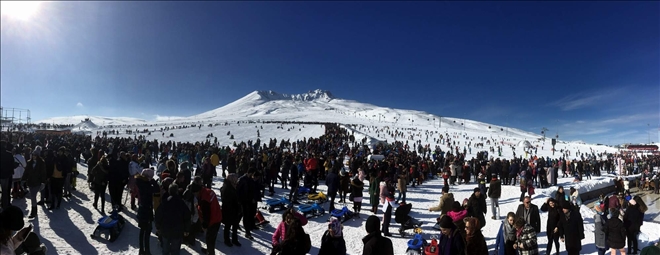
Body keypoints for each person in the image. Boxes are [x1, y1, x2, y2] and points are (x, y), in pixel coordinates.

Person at [155, 184, 191, 255]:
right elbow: (187, 217)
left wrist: (158, 227)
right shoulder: (181, 203)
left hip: (165, 230)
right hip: (177, 231)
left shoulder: (164, 202)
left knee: (165, 250)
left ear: (169, 191)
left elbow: (158, 215)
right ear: (177, 192)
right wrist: (187, 229)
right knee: (175, 251)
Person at [135, 168, 159, 255]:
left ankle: (141, 250)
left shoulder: (141, 182)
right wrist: (153, 182)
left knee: (142, 231)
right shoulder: (146, 185)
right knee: (147, 230)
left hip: (142, 209)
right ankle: (147, 251)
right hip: (146, 210)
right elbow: (156, 190)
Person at [196, 176, 223, 254]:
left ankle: (210, 253)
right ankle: (209, 250)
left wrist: (204, 225)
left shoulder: (204, 200)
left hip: (213, 221)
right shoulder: (208, 191)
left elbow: (207, 215)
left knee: (210, 239)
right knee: (211, 238)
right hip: (218, 217)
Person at [21, 147, 46, 219]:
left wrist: (43, 182)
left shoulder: (41, 163)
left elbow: (43, 173)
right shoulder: (29, 162)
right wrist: (23, 180)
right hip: (30, 182)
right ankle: (34, 211)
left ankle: (33, 212)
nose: (34, 156)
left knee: (33, 196)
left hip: (37, 182)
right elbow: (26, 172)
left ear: (37, 156)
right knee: (33, 197)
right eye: (33, 155)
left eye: (35, 155)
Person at [220, 173, 241, 247]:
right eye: (235, 179)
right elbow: (226, 200)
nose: (237, 181)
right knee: (228, 226)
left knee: (235, 225)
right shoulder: (226, 188)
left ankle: (234, 239)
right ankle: (227, 240)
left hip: (234, 209)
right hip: (228, 210)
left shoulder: (233, 185)